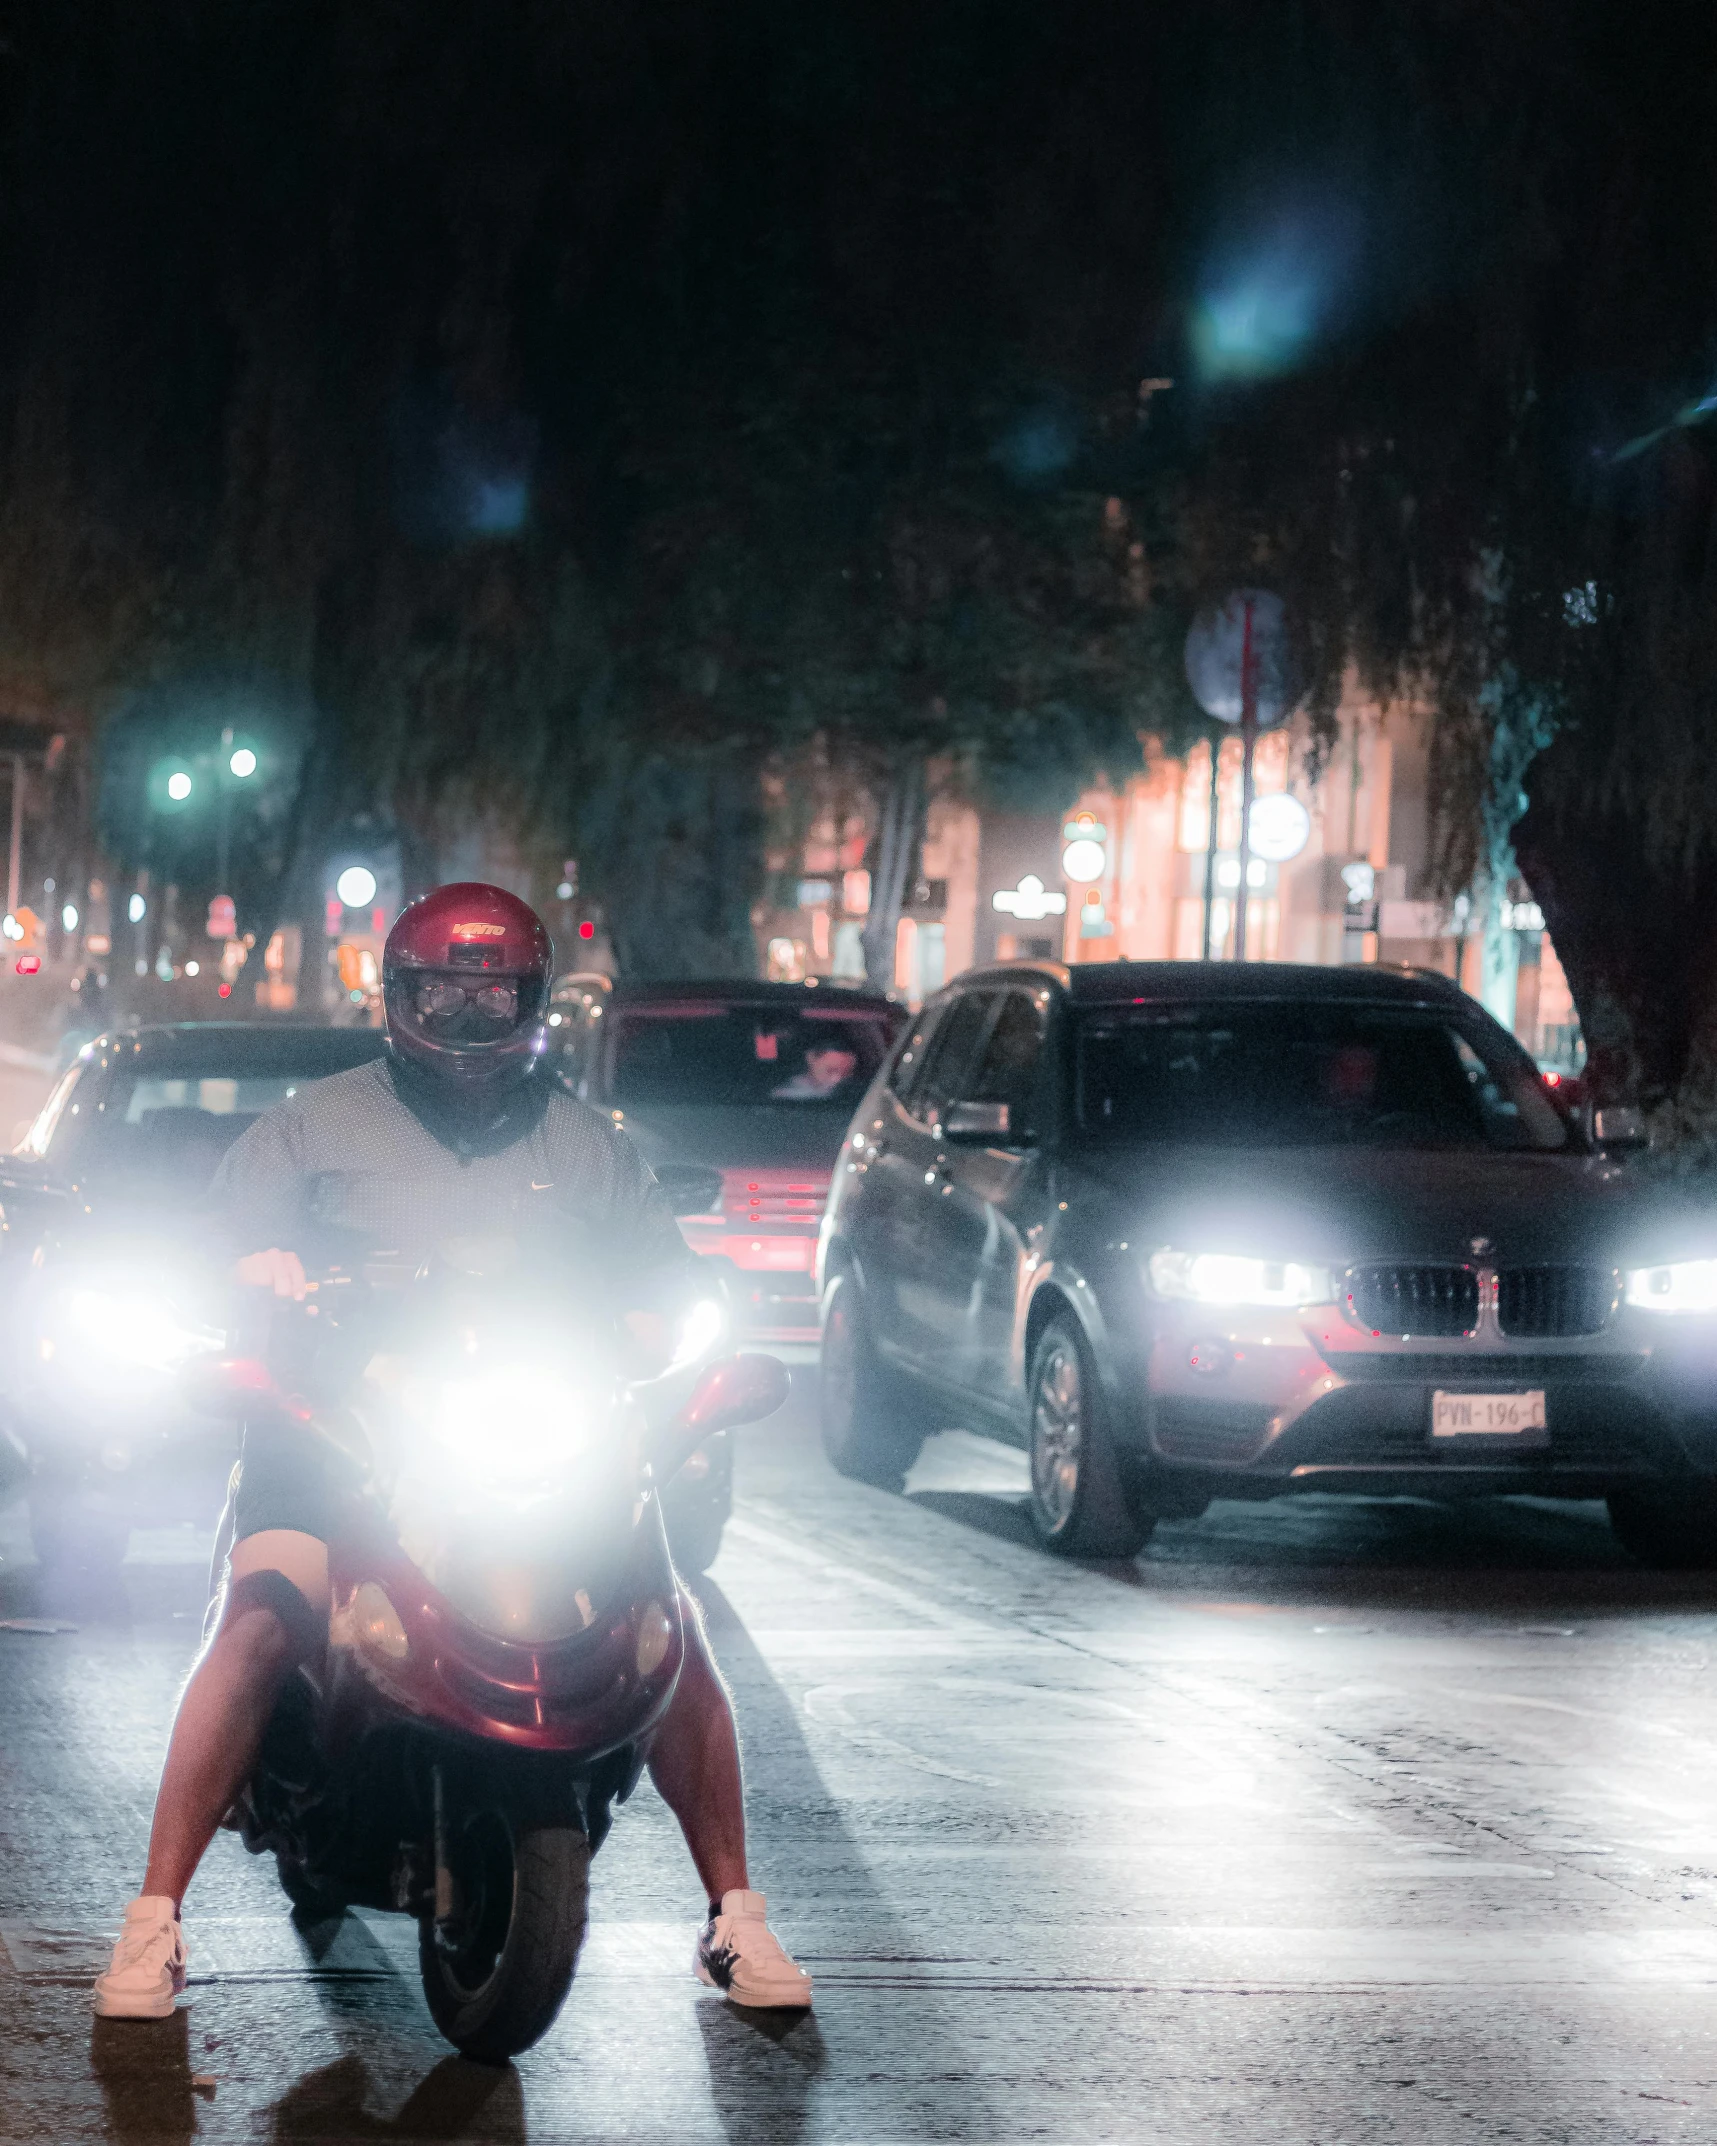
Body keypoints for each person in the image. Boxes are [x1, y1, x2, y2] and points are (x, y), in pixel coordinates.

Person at [94, 882, 811, 2020]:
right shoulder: (314, 1123)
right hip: (335, 1425)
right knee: (268, 1612)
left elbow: (668, 1283)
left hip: (534, 1430)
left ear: (530, 1001)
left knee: (662, 1623)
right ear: (400, 995)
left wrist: (662, 1323)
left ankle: (736, 1915)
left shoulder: (588, 1145)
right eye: (446, 991)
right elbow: (213, 1245)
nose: (472, 1016)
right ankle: (151, 1923)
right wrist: (257, 1271)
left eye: (495, 994)